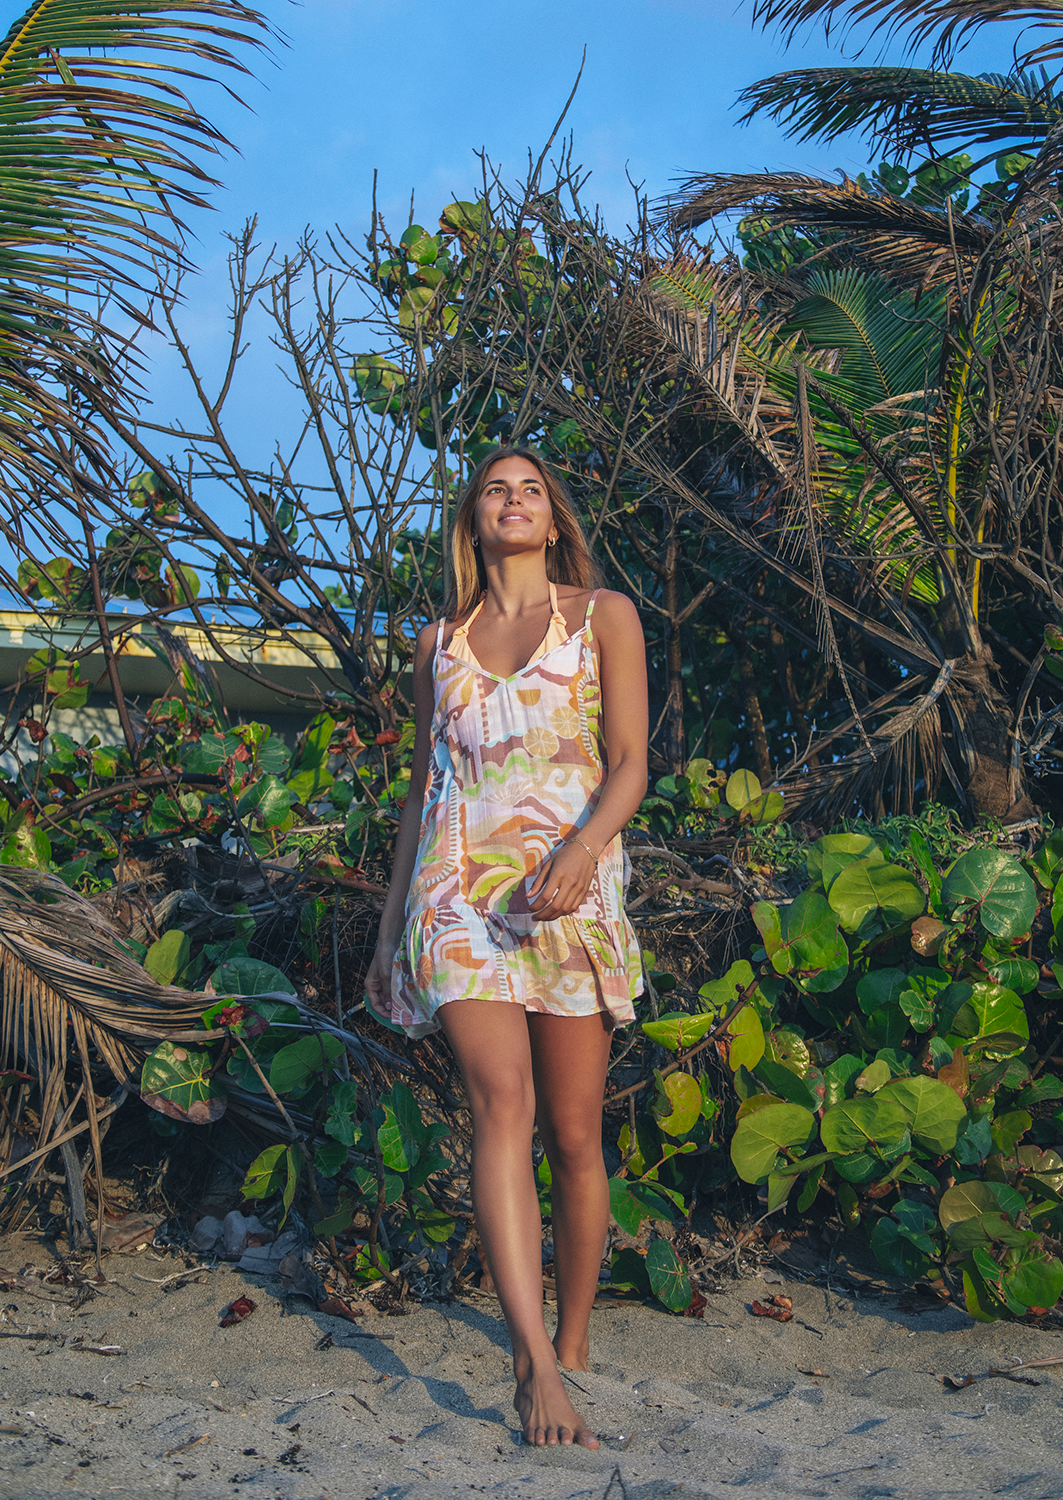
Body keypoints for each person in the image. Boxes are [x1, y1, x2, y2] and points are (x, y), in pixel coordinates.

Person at [364, 446, 648, 1449]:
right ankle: (532, 1363)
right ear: (473, 520)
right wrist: (392, 926)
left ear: (553, 518)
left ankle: (572, 1335)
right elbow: (419, 794)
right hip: (457, 899)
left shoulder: (602, 615)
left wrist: (582, 850)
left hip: (566, 891)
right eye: (496, 489)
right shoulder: (436, 643)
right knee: (502, 1104)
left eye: (530, 490)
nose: (514, 501)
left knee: (572, 1135)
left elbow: (630, 763)